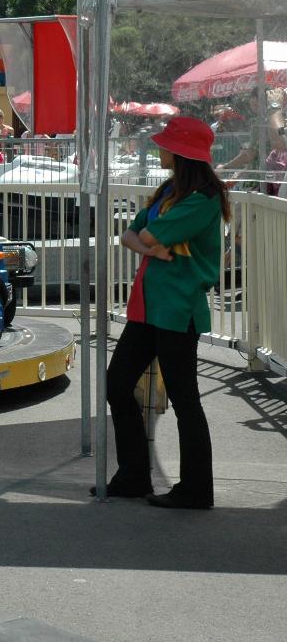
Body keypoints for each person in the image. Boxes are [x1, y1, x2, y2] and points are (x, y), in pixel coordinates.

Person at [99, 116, 228, 509]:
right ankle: (135, 475)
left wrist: (147, 244)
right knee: (117, 384)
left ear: (182, 151)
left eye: (165, 143)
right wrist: (150, 250)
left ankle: (196, 488)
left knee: (185, 399)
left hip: (177, 309)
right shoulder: (172, 190)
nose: (159, 148)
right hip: (148, 306)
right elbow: (129, 234)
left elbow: (147, 233)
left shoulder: (202, 198)